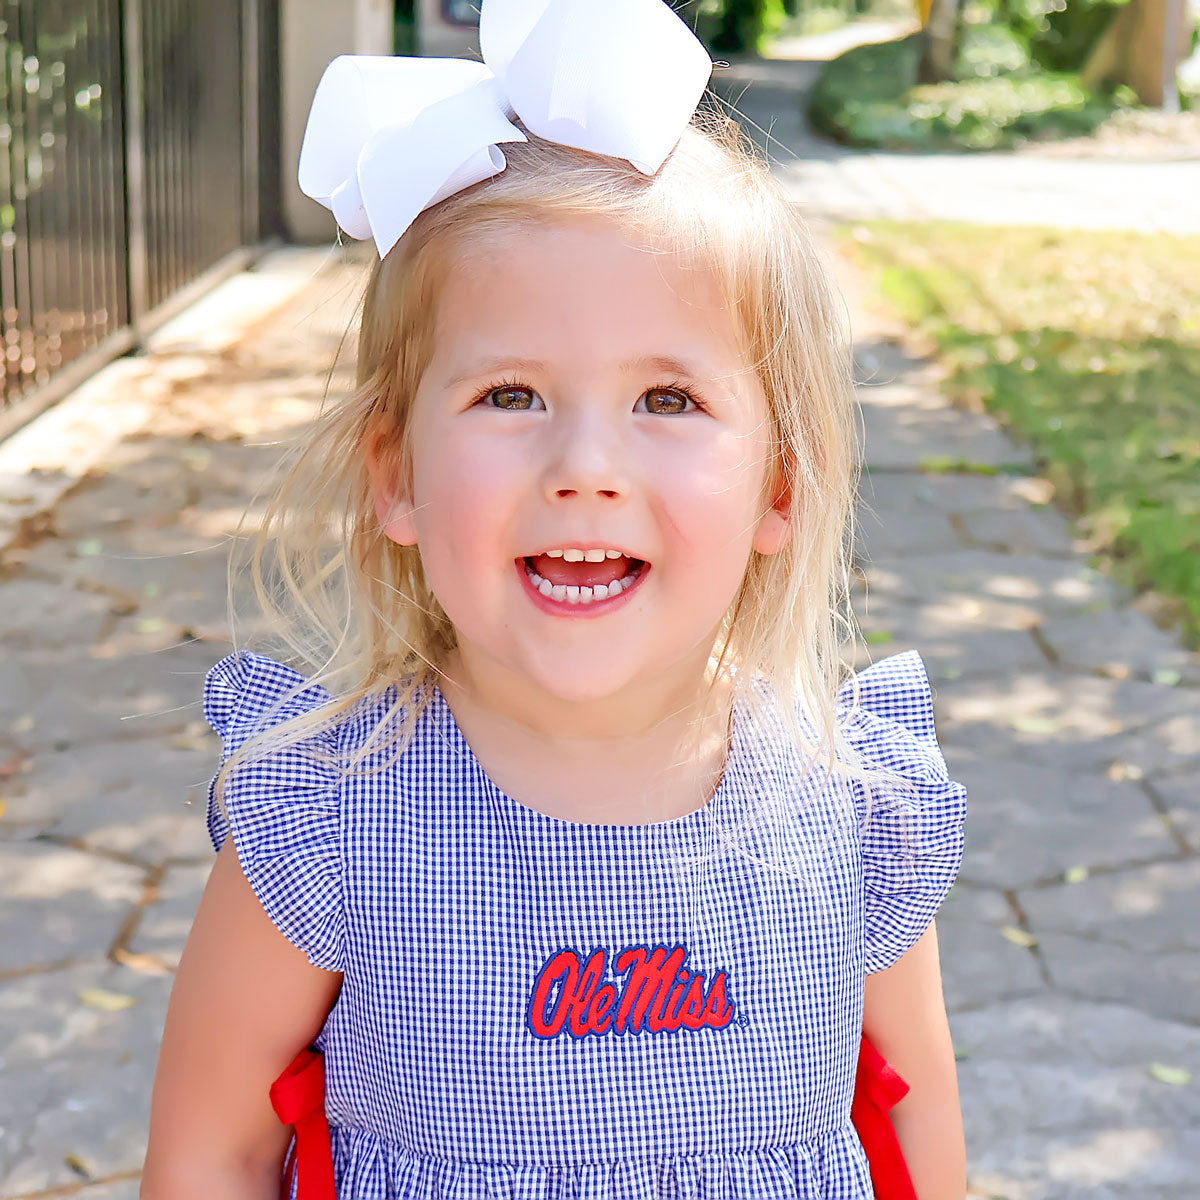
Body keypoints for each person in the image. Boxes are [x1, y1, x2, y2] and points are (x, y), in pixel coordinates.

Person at [141, 0, 968, 1197]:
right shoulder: (323, 824)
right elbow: (209, 1152)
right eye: (512, 395)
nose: (586, 464)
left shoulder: (854, 808)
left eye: (669, 401)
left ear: (778, 486)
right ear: (398, 476)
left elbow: (921, 1123)